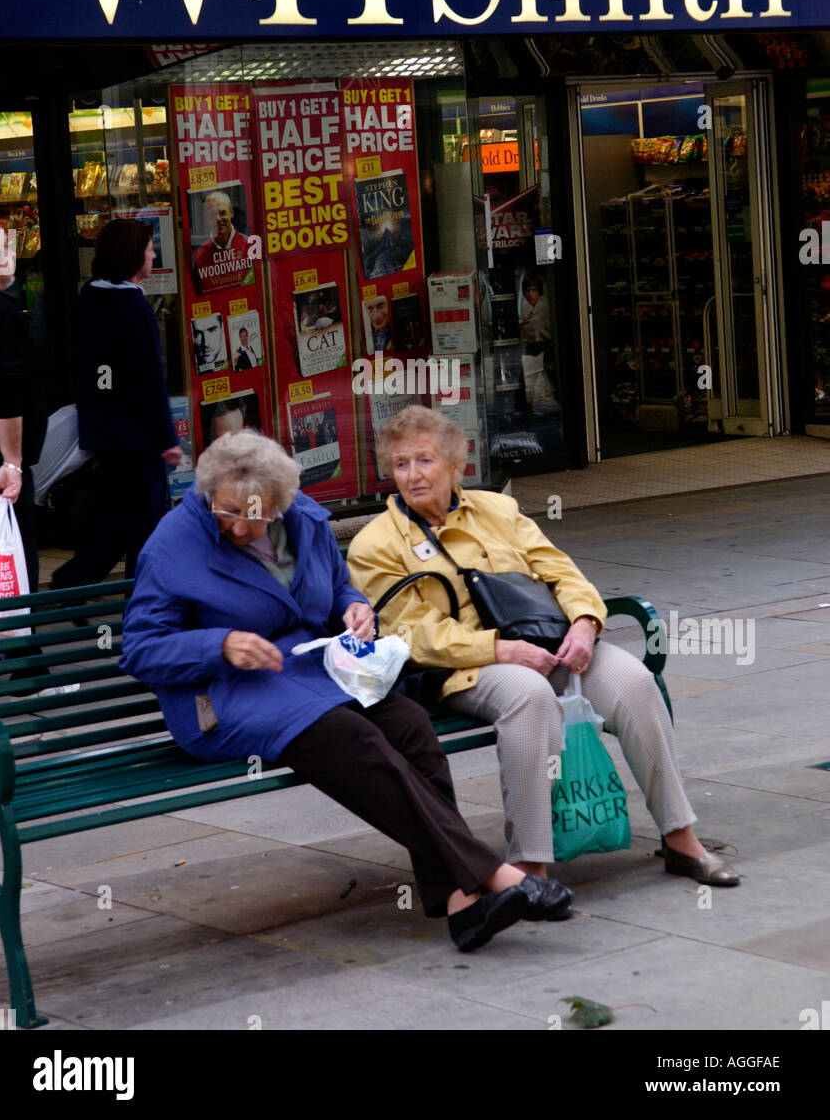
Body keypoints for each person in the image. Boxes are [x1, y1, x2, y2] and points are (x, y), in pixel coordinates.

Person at [120, 430, 575, 951]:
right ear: (207, 496)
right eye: (227, 512)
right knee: (348, 737)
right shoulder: (173, 543)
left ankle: (462, 904)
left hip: (307, 675)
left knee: (410, 726)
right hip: (220, 697)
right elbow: (140, 650)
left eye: (258, 514)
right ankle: (494, 876)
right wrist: (219, 644)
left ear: (280, 502)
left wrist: (353, 607)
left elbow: (337, 585)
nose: (243, 527)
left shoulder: (302, 518)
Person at [348, 406, 740, 889]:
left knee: (635, 683)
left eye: (425, 461)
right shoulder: (376, 543)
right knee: (529, 697)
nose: (412, 475)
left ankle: (681, 839)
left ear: (455, 466)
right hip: (466, 667)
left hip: (547, 642)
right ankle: (530, 865)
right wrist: (500, 649)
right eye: (401, 464)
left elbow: (560, 571)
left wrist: (583, 622)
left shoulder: (498, 510)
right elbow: (412, 634)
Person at [50, 220, 183, 587]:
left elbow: (93, 371)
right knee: (146, 522)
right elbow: (149, 380)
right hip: (136, 437)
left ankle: (73, 581)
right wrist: (166, 438)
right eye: (149, 248)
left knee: (124, 519)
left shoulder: (90, 298)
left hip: (105, 431)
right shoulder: (132, 306)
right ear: (131, 255)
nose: (153, 254)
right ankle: (141, 603)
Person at [0, 206, 47, 590]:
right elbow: (4, 390)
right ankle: (14, 642)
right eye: (6, 245)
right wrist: (13, 463)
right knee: (13, 554)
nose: (13, 254)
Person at [192, 191, 251, 293]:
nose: (218, 219)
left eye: (222, 213)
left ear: (231, 212)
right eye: (212, 215)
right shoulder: (200, 256)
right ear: (206, 218)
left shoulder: (249, 246)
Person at [519, 279, 556, 414]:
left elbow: (530, 328)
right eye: (527, 291)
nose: (530, 294)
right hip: (540, 351)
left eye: (534, 290)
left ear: (540, 291)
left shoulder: (543, 307)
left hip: (544, 349)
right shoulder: (537, 307)